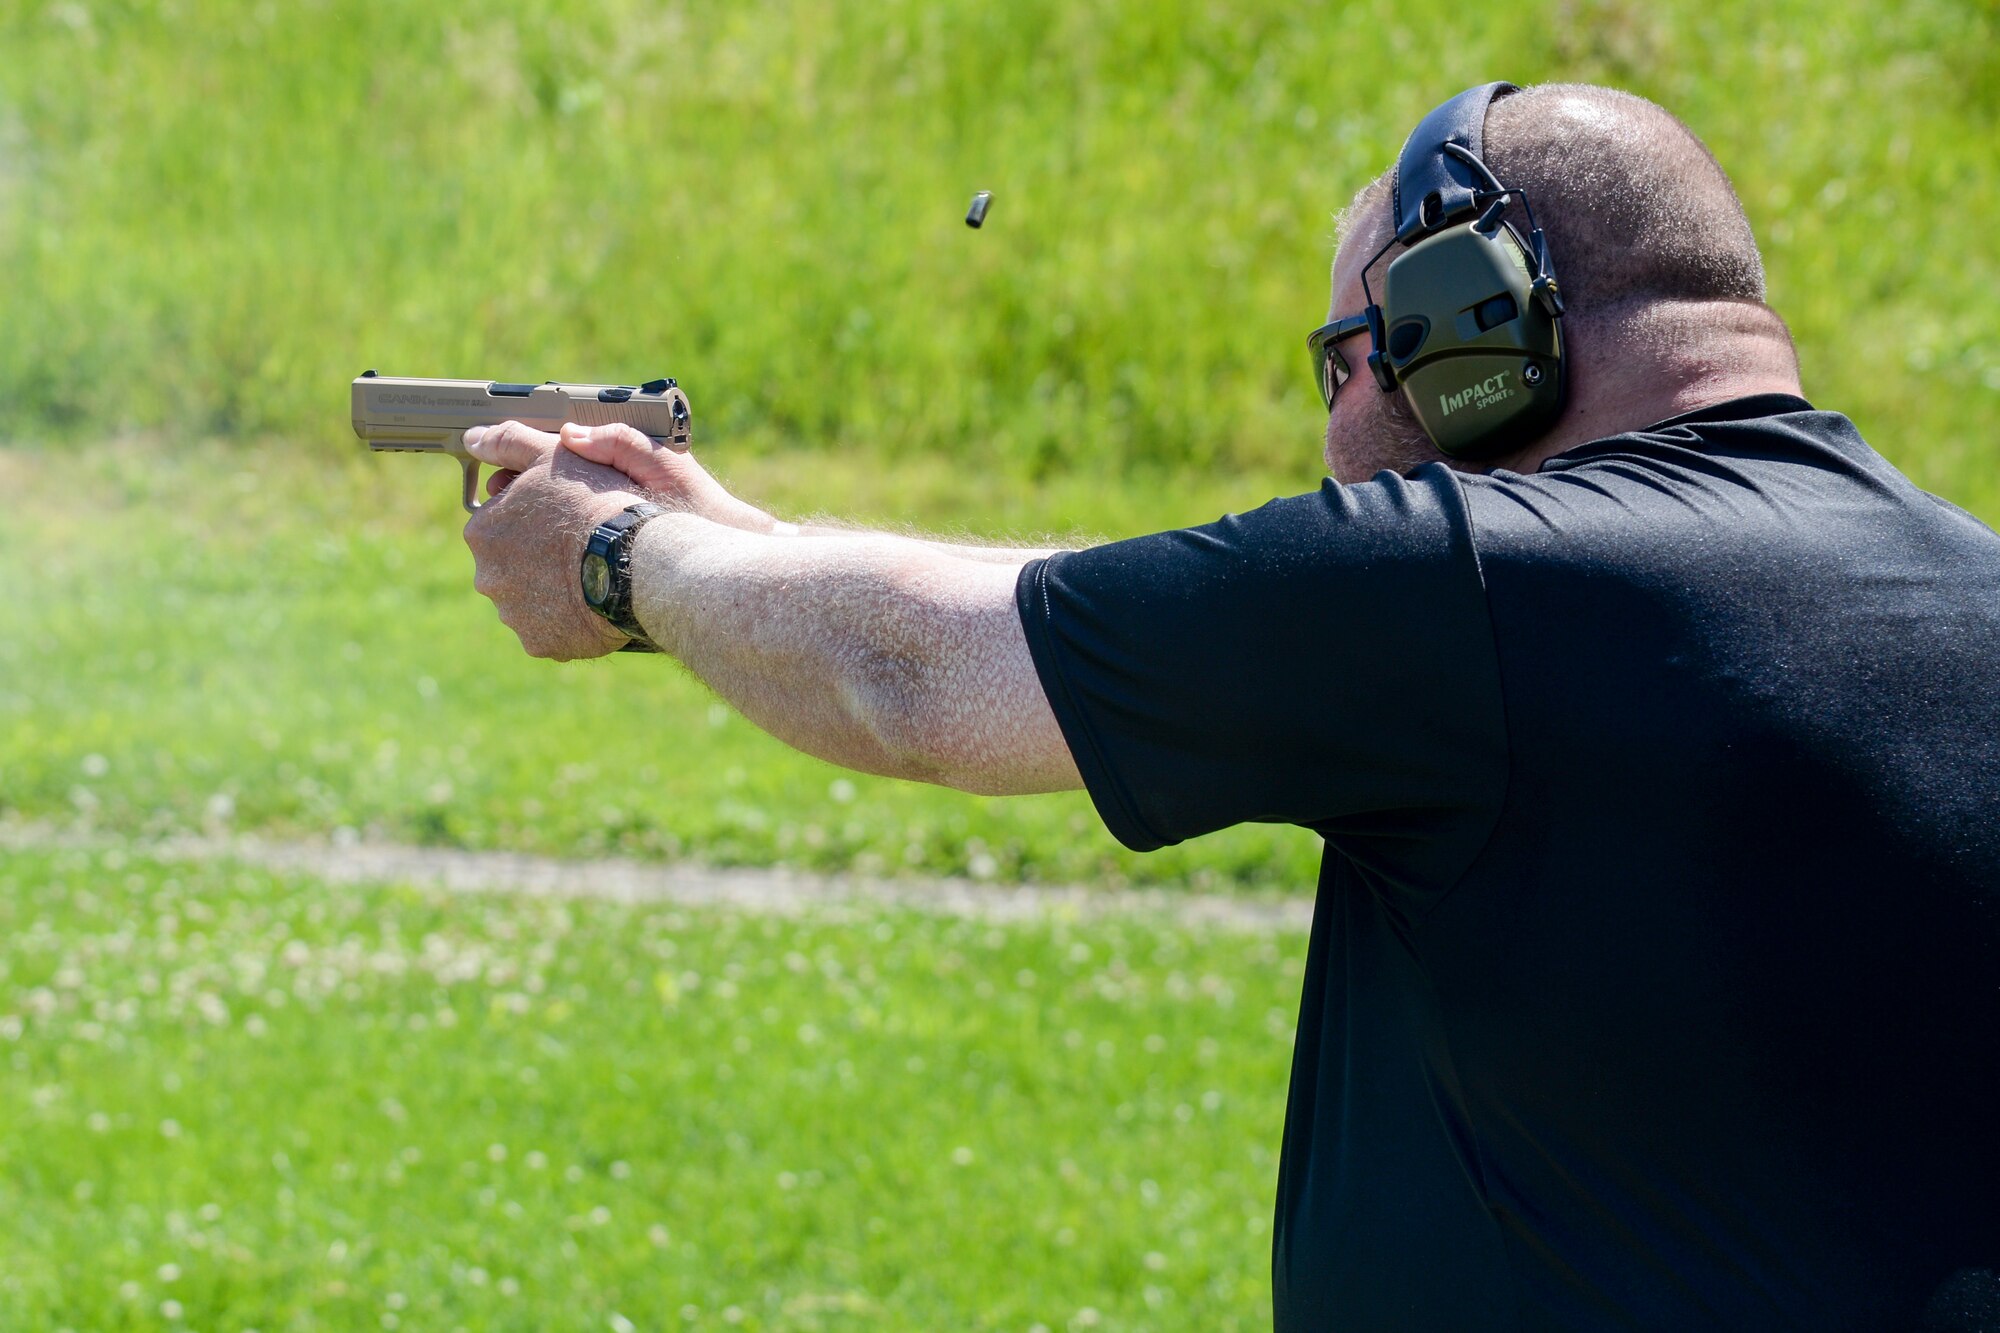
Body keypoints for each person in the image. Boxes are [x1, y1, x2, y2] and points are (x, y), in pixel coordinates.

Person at [461, 82, 2000, 1333]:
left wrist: (617, 562)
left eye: (1349, 355)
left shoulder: (1467, 591)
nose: (1334, 428)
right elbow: (1081, 611)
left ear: (1472, 325)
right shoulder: (1966, 591)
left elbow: (918, 675)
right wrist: (756, 549)